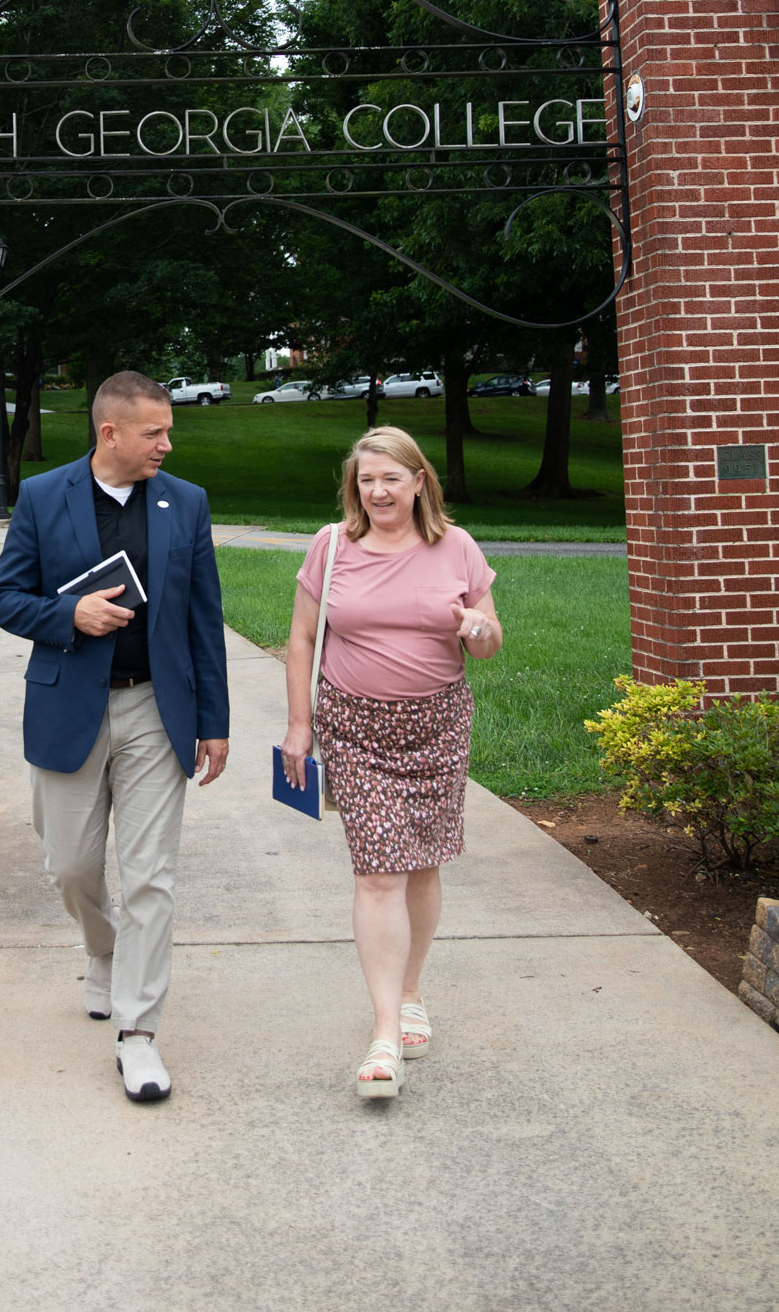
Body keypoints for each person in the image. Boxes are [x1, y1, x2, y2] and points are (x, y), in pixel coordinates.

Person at [0, 369, 229, 1103]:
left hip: (158, 711)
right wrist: (70, 617)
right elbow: (5, 597)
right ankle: (102, 950)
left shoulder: (184, 503)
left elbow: (202, 619)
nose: (166, 443)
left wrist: (213, 722)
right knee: (70, 865)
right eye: (154, 431)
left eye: (168, 431)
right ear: (109, 433)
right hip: (69, 708)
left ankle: (138, 1034)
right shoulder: (41, 496)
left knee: (150, 874)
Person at [280, 425, 502, 1098]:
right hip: (354, 725)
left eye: (389, 478)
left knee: (422, 862)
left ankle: (410, 991)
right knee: (378, 869)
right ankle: (383, 1033)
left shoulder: (455, 546)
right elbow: (298, 637)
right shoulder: (332, 546)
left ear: (418, 482)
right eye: (365, 478)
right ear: (355, 485)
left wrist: (480, 630)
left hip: (437, 722)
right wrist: (299, 725)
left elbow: (487, 641)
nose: (376, 490)